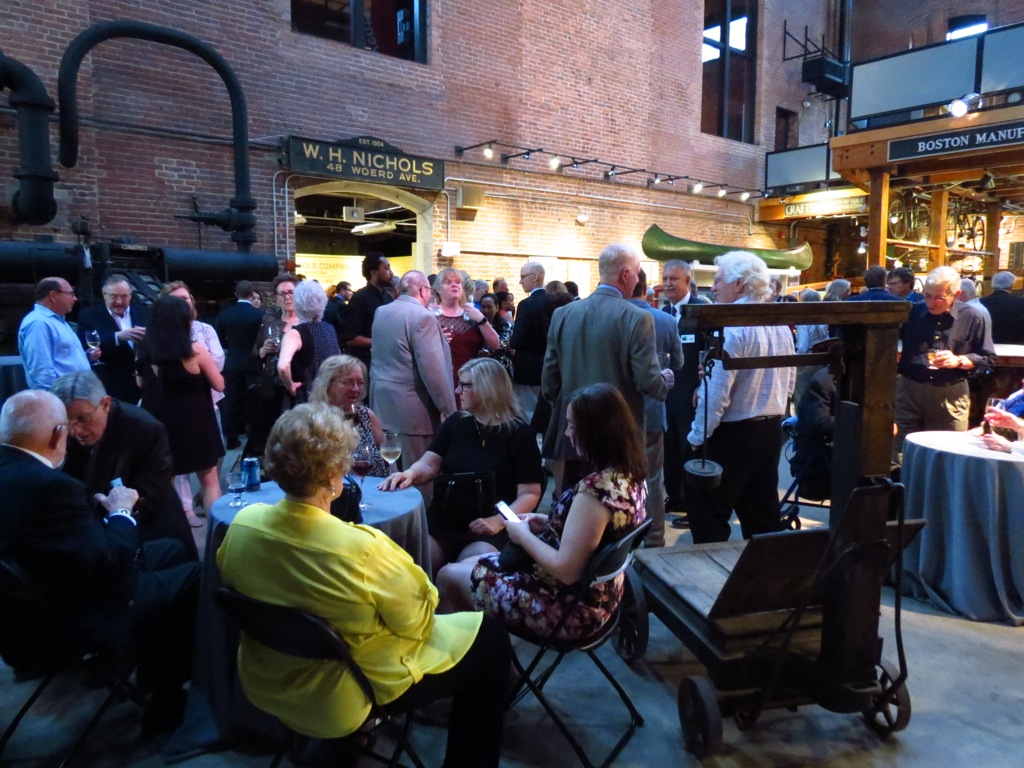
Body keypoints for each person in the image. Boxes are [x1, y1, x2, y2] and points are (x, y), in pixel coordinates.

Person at [216, 403, 511, 768]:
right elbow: (418, 623)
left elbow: (238, 585)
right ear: (333, 477)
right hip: (344, 695)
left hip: (267, 681)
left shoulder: (242, 525)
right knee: (491, 639)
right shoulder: (363, 549)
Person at [0, 390, 200, 734]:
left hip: (26, 607)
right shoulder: (51, 487)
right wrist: (121, 512)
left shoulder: (16, 473)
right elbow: (111, 567)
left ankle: (151, 665)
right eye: (69, 427)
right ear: (57, 434)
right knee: (198, 574)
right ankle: (167, 698)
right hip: (75, 611)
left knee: (170, 549)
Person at [437, 383, 647, 643]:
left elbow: (566, 570)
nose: (567, 433)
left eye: (572, 426)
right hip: (602, 596)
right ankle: (483, 645)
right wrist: (549, 522)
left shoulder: (595, 491)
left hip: (568, 611)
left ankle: (470, 656)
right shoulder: (631, 476)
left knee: (447, 575)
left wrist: (522, 535)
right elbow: (598, 533)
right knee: (467, 563)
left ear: (595, 433)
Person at [380, 358, 543, 571]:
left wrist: (497, 521)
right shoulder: (456, 423)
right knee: (411, 563)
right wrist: (410, 473)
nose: (458, 391)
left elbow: (530, 494)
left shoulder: (520, 435)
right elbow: (430, 464)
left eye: (464, 385)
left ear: (487, 388)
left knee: (469, 569)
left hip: (490, 529)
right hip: (446, 523)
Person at [542, 243, 671, 494]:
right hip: (619, 438)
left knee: (575, 502)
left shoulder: (563, 314)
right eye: (637, 273)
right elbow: (647, 380)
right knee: (618, 507)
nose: (638, 280)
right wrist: (664, 382)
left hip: (575, 436)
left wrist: (570, 415)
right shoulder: (637, 318)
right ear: (625, 274)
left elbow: (549, 381)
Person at [686, 251, 795, 544]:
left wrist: (697, 437)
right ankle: (763, 571)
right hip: (770, 431)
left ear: (738, 284)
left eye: (718, 280)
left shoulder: (734, 326)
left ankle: (711, 572)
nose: (713, 287)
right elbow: (789, 381)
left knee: (707, 512)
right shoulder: (780, 325)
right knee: (762, 515)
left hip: (733, 435)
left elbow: (716, 394)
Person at [52, 370, 203, 546]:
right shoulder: (63, 431)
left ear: (105, 404)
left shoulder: (145, 429)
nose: (75, 430)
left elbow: (151, 493)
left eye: (82, 419)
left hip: (148, 531)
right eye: (68, 421)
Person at [894, 266, 994, 459]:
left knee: (948, 453)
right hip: (909, 390)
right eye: (927, 295)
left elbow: (987, 358)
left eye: (939, 297)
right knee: (901, 451)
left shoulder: (972, 317)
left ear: (956, 294)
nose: (931, 303)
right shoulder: (912, 312)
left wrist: (959, 360)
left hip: (950, 394)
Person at [137, 295, 225, 512]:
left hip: (160, 423)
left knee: (166, 480)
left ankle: (175, 525)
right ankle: (215, 529)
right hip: (195, 422)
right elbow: (219, 384)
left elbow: (141, 384)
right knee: (209, 479)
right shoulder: (195, 351)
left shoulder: (145, 349)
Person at [369, 271, 457, 476]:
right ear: (423, 291)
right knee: (416, 478)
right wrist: (450, 412)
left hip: (382, 408)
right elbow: (433, 372)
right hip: (415, 414)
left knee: (391, 475)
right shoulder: (423, 317)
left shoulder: (381, 312)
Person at [161, 281, 226, 518]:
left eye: (186, 298)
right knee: (199, 473)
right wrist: (202, 363)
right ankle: (187, 514)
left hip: (199, 406)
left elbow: (219, 360)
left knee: (208, 465)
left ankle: (187, 515)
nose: (184, 304)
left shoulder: (203, 330)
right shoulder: (195, 348)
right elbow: (218, 380)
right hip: (194, 410)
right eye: (177, 300)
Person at [628, 269, 682, 548]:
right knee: (652, 478)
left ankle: (622, 539)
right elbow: (679, 362)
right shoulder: (665, 320)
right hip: (652, 410)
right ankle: (655, 538)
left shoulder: (615, 316)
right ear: (646, 287)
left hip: (616, 412)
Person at [661, 259, 709, 519]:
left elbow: (710, 354)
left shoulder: (702, 311)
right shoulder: (665, 313)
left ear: (687, 281)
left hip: (691, 393)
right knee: (669, 448)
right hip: (667, 394)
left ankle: (693, 505)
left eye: (673, 279)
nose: (667, 283)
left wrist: (701, 387)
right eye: (665, 278)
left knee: (688, 447)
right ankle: (676, 497)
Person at [246, 274, 302, 458]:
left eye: (291, 292)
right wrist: (263, 350)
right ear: (277, 298)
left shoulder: (306, 321)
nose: (287, 297)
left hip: (298, 385)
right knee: (273, 433)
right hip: (271, 387)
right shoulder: (269, 320)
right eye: (282, 293)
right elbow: (255, 352)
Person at [309, 354, 388, 476]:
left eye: (360, 383)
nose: (355, 389)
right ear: (327, 385)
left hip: (373, 486)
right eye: (348, 382)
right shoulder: (313, 420)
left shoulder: (366, 416)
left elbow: (388, 457)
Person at [434, 268, 500, 408]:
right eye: (448, 282)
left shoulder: (472, 314)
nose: (454, 285)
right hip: (443, 383)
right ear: (438, 289)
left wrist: (482, 320)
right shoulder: (431, 316)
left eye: (458, 282)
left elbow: (495, 344)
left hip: (472, 382)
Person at [76, 277, 149, 403]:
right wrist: (117, 337)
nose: (119, 301)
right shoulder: (89, 316)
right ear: (104, 295)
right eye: (113, 296)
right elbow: (85, 345)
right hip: (112, 386)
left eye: (124, 296)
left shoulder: (146, 313)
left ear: (130, 295)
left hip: (145, 385)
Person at [18, 277, 97, 390]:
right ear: (53, 295)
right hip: (62, 397)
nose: (75, 298)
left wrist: (86, 357)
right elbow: (41, 372)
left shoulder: (57, 321)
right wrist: (57, 398)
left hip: (74, 394)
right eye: (71, 294)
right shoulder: (38, 323)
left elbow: (62, 359)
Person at [214, 280, 263, 449]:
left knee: (231, 401)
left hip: (232, 362)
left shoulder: (224, 315)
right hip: (254, 363)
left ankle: (231, 437)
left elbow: (220, 341)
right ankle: (254, 436)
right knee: (255, 400)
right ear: (252, 294)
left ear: (236, 294)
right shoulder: (259, 315)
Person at [277, 279, 340, 405]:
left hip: (306, 399)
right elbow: (338, 358)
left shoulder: (295, 333)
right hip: (328, 396)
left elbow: (283, 366)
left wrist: (290, 385)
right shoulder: (329, 329)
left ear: (297, 302)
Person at [339, 252, 394, 372]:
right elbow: (350, 338)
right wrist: (380, 342)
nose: (391, 273)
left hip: (387, 363)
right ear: (374, 272)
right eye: (386, 268)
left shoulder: (387, 297)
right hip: (367, 365)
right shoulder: (360, 298)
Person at [509, 261, 548, 423]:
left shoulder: (526, 304)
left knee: (527, 414)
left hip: (528, 368)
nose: (520, 281)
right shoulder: (554, 301)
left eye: (523, 277)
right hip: (549, 366)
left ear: (535, 277)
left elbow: (517, 340)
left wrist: (510, 345)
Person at [794, 288, 829, 409]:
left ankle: (800, 418)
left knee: (801, 391)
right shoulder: (823, 317)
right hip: (821, 357)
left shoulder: (803, 318)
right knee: (816, 392)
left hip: (807, 357)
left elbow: (803, 345)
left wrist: (796, 360)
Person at [979, 270, 1024, 344]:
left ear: (992, 285)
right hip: (1016, 346)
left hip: (987, 345)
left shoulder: (980, 302)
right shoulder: (1021, 302)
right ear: (1011, 286)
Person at [480, 292, 514, 377]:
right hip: (480, 368)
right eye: (483, 307)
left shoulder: (505, 325)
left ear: (497, 308)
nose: (486, 310)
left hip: (500, 368)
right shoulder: (475, 325)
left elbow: (503, 343)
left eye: (489, 307)